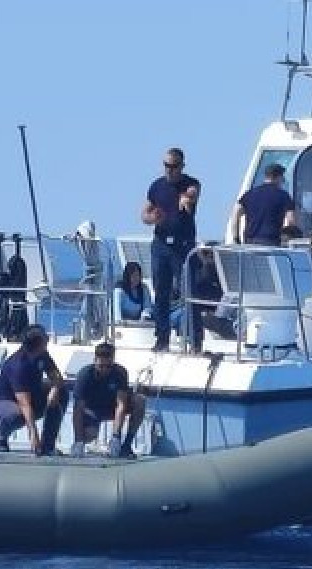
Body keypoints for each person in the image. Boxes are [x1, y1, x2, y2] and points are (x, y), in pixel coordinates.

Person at [141, 147, 201, 352]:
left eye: (174, 166)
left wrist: (186, 200)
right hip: (160, 245)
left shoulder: (190, 184)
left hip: (182, 246)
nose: (170, 170)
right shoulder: (156, 186)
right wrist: (152, 218)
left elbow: (191, 194)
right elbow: (144, 213)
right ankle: (162, 338)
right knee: (161, 292)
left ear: (181, 166)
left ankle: (195, 340)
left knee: (189, 292)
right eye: (167, 166)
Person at [0, 324, 67, 455]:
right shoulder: (18, 365)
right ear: (38, 343)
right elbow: (24, 403)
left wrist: (55, 388)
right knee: (17, 414)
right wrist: (33, 434)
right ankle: (1, 436)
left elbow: (56, 376)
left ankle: (48, 444)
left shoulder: (43, 355)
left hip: (32, 396)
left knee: (62, 393)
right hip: (5, 403)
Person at [70, 342, 147, 458]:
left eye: (108, 366)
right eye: (101, 366)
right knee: (90, 435)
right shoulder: (84, 375)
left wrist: (116, 436)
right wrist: (78, 440)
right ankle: (79, 443)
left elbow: (121, 405)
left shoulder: (120, 373)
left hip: (112, 408)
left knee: (140, 400)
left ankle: (126, 446)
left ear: (113, 361)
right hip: (93, 410)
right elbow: (78, 410)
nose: (105, 370)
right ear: (95, 360)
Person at [229, 163, 296, 246]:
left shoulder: (249, 194)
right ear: (278, 177)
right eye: (283, 179)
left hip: (250, 243)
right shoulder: (284, 196)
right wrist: (287, 239)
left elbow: (235, 214)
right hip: (271, 243)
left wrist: (236, 239)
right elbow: (291, 221)